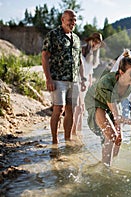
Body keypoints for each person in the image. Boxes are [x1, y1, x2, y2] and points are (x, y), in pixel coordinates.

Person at [85, 49, 131, 166]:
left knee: (119, 139)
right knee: (111, 135)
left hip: (112, 101)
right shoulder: (107, 83)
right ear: (121, 72)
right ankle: (106, 169)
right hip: (96, 101)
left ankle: (109, 162)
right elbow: (118, 117)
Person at [42, 9, 86, 144]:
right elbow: (44, 56)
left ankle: (67, 139)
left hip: (73, 80)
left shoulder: (77, 38)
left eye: (74, 20)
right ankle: (55, 141)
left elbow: (79, 60)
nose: (72, 23)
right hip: (58, 79)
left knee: (70, 109)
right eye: (70, 20)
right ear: (62, 20)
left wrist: (82, 78)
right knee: (58, 109)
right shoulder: (53, 35)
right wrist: (48, 79)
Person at [72, 32, 105, 135]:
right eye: (94, 41)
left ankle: (79, 132)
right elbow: (78, 66)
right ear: (90, 41)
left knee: (82, 109)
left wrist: (90, 85)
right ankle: (73, 132)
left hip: (86, 84)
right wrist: (82, 80)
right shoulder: (81, 50)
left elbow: (90, 71)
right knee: (78, 108)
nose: (96, 44)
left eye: (98, 43)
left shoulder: (94, 56)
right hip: (77, 80)